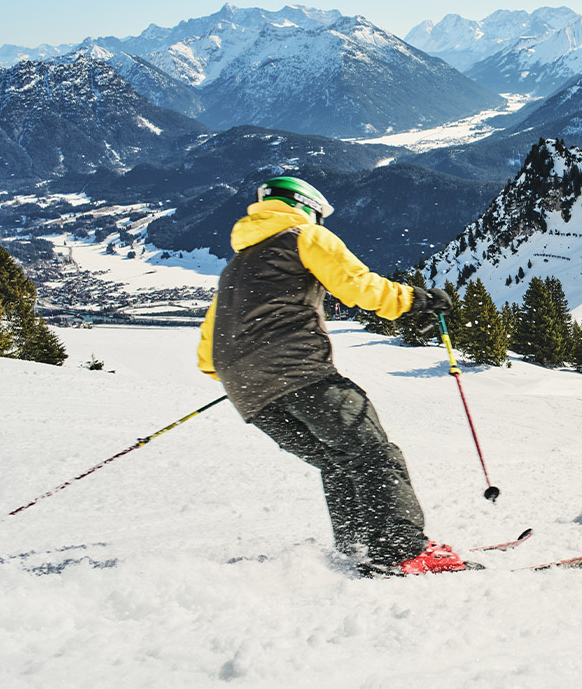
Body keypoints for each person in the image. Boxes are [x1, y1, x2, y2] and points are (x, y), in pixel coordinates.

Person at [197, 176, 470, 575]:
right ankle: (401, 550)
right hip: (299, 373)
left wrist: (251, 375)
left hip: (249, 395)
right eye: (319, 215)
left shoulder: (235, 268)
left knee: (339, 459)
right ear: (306, 207)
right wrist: (416, 300)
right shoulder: (303, 237)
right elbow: (358, 287)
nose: (320, 222)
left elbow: (209, 350)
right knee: (373, 453)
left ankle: (356, 545)